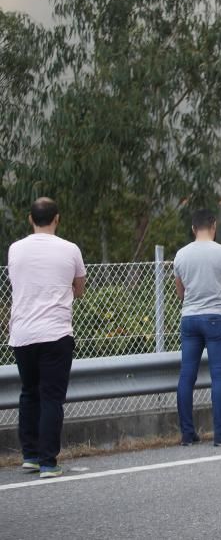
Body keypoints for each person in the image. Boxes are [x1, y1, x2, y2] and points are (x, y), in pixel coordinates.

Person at [7, 197, 86, 478]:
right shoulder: (70, 249)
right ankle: (48, 461)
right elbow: (79, 288)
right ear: (57, 219)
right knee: (52, 397)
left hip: (23, 333)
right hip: (56, 333)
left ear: (30, 219)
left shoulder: (15, 249)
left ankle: (29, 455)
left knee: (29, 393)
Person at [174, 209, 221, 447]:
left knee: (187, 376)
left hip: (189, 319)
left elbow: (180, 294)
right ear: (213, 226)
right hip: (217, 318)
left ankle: (187, 434)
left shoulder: (181, 255)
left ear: (193, 229)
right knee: (219, 377)